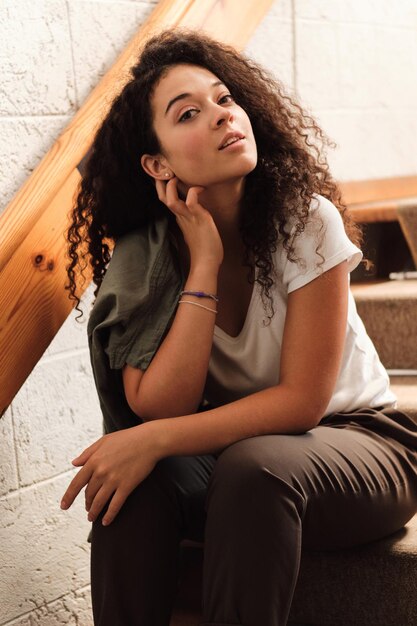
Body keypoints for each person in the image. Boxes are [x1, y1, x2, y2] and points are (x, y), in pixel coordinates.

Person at [60, 28, 417, 626]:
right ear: (157, 163)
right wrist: (203, 263)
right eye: (190, 113)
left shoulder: (305, 219)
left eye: (226, 99)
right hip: (235, 463)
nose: (224, 117)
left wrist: (152, 441)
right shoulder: (145, 256)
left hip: (366, 443)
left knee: (252, 467)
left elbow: (303, 402)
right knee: (140, 489)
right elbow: (161, 406)